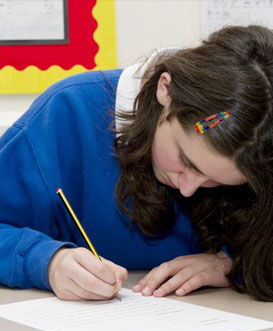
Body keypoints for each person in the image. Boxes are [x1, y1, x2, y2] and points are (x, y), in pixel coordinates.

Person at [0, 25, 272, 302]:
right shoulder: (67, 112)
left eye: (218, 182)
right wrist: (47, 262)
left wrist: (231, 264)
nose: (188, 189)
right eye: (185, 161)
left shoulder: (263, 143)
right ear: (166, 91)